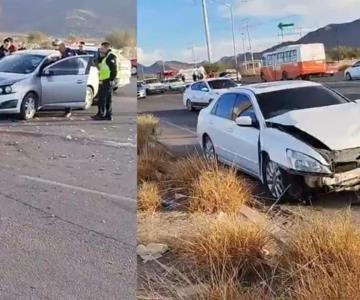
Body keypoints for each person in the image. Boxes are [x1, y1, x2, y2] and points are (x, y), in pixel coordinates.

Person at [92, 42, 117, 121]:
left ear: (107, 48)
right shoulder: (105, 56)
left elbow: (114, 70)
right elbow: (99, 62)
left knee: (105, 99)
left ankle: (105, 115)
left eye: (102, 49)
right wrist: (99, 54)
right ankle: (104, 114)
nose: (101, 50)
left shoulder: (111, 57)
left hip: (107, 81)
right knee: (104, 99)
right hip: (103, 80)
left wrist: (111, 80)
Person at [58, 42, 76, 117]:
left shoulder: (69, 53)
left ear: (63, 48)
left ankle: (68, 110)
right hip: (65, 76)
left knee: (68, 94)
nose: (59, 50)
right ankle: (66, 109)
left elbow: (67, 62)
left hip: (70, 76)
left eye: (60, 49)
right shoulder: (64, 53)